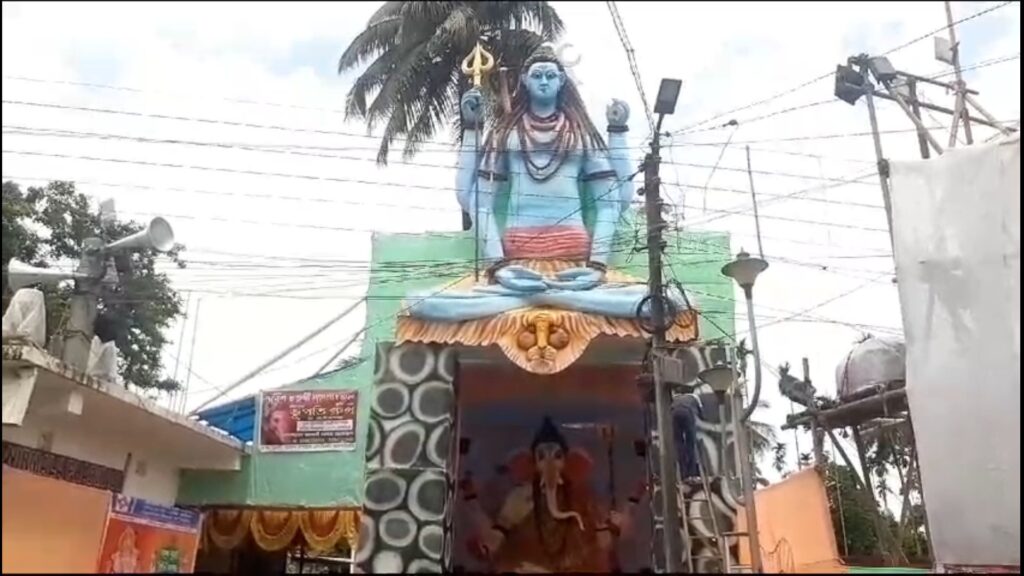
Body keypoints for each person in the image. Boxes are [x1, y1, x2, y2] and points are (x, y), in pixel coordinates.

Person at [671, 382, 711, 485]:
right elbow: (702, 414)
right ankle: (691, 474)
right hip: (687, 413)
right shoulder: (694, 397)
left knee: (679, 443)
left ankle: (682, 472)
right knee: (690, 443)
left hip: (674, 414)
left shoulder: (675, 397)